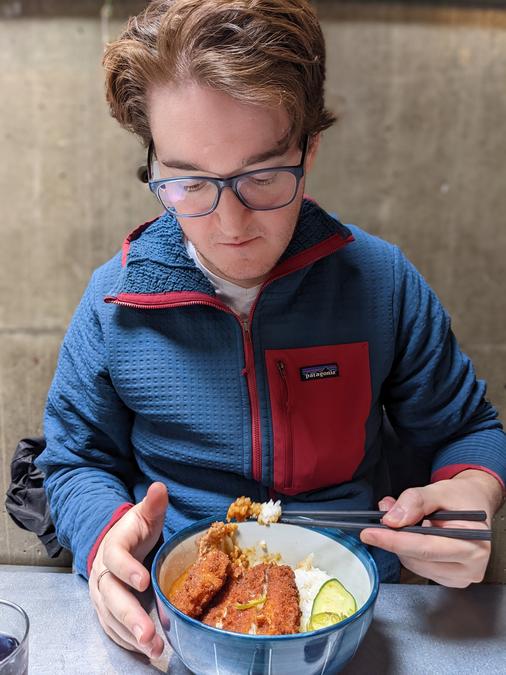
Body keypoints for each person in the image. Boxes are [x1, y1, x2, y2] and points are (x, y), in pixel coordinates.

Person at [35, 0, 505, 661]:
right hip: (173, 615)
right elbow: (75, 459)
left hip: (356, 608)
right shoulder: (113, 300)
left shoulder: (382, 282)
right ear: (155, 165)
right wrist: (106, 542)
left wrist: (470, 496)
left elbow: (467, 429)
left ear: (309, 147)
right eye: (188, 182)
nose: (229, 222)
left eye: (262, 176)